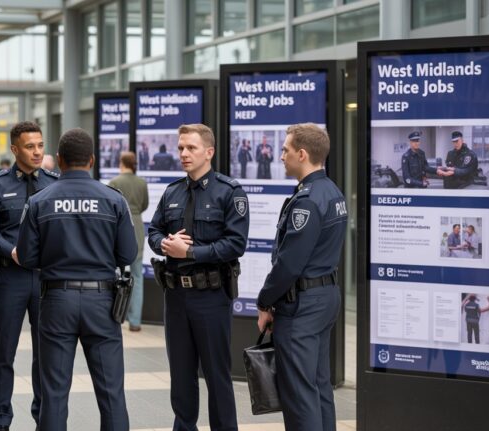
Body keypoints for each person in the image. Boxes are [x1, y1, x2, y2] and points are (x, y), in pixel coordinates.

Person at [14, 128, 137, 431]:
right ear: (92, 160)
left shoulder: (41, 201)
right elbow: (127, 254)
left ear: (58, 160)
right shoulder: (113, 200)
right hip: (103, 302)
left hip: (56, 301)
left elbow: (28, 258)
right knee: (111, 395)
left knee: (54, 394)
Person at [148, 123, 249, 431]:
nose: (183, 154)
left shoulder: (228, 192)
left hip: (211, 296)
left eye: (190, 148)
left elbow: (236, 244)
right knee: (181, 375)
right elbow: (153, 230)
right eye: (180, 148)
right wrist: (164, 244)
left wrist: (190, 253)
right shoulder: (172, 192)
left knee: (217, 375)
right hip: (176, 296)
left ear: (209, 151)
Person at [256, 123, 347, 431]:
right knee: (319, 387)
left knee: (299, 393)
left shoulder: (307, 200)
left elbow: (289, 264)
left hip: (303, 305)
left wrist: (265, 301)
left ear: (303, 154)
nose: (281, 156)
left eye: (286, 150)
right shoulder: (332, 192)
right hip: (324, 297)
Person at [0, 121, 58, 431]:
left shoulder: (54, 182)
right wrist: (11, 251)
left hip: (45, 279)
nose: (37, 151)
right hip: (10, 278)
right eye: (30, 146)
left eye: (40, 145)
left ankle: (44, 417)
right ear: (15, 149)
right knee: (3, 352)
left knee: (46, 353)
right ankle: (0, 420)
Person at [108, 151, 149, 331]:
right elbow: (144, 204)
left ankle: (117, 315)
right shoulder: (142, 183)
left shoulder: (115, 182)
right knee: (137, 276)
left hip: (120, 226)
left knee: (116, 274)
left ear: (121, 162)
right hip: (138, 226)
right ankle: (136, 321)